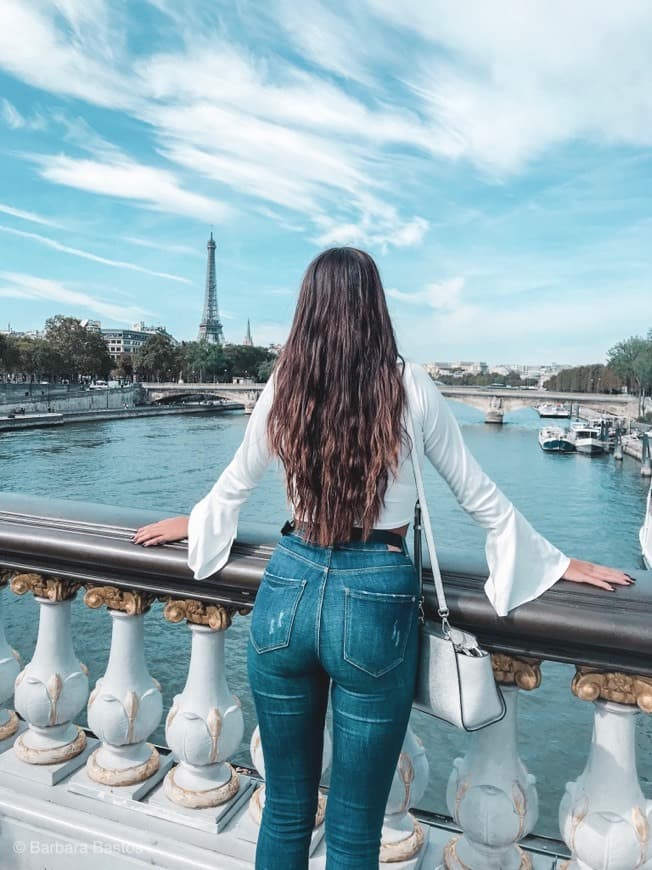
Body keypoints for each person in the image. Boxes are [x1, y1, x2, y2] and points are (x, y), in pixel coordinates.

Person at [132, 247, 631, 870]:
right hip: (375, 594)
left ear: (306, 308)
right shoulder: (406, 383)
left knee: (284, 808)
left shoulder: (286, 381)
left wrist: (197, 522)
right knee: (355, 823)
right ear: (375, 306)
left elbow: (236, 481)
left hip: (287, 583)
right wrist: (558, 563)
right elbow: (478, 494)